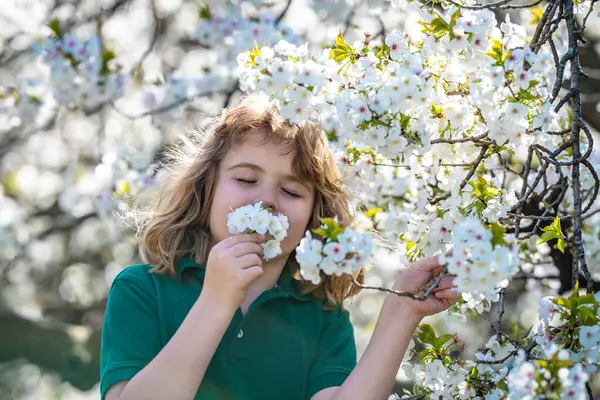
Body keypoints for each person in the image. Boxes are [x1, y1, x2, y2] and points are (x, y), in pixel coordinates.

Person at [100, 92, 460, 400]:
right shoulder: (142, 290)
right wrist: (216, 302)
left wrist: (402, 311)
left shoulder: (321, 319)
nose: (268, 200)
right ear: (206, 189)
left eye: (290, 191)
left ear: (312, 219)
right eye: (245, 179)